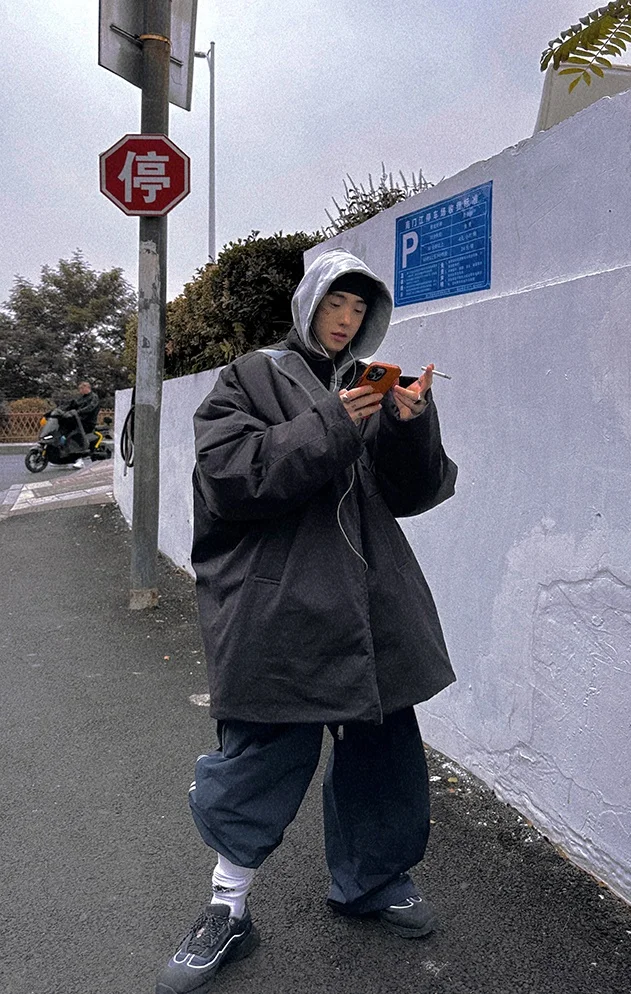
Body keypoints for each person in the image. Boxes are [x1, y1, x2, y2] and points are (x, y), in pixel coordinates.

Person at [156, 249, 458, 994]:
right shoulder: (250, 377)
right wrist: (332, 422)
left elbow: (409, 492)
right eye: (336, 307)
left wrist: (409, 424)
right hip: (279, 603)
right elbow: (232, 478)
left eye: (359, 313)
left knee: (384, 751)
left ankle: (373, 880)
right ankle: (226, 910)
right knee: (261, 756)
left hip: (370, 607)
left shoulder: (364, 384)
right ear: (308, 305)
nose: (346, 323)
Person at [62, 381, 100, 468]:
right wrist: (62, 410)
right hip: (78, 421)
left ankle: (79, 459)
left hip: (88, 422)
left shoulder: (94, 397)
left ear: (87, 388)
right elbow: (72, 405)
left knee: (76, 436)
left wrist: (78, 412)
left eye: (81, 389)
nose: (80, 391)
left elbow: (90, 408)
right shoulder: (82, 398)